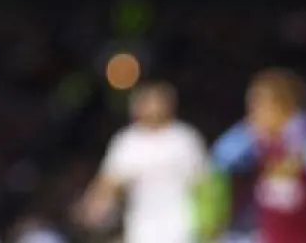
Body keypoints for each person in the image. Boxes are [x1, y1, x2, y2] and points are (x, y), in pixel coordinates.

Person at [204, 68, 306, 243]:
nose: (252, 115)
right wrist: (246, 130)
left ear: (282, 106)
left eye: (257, 106)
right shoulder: (258, 142)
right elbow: (219, 159)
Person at [76, 81, 208, 243]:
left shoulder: (185, 139)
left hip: (183, 227)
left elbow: (204, 183)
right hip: (142, 229)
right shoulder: (128, 142)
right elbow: (110, 180)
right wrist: (94, 204)